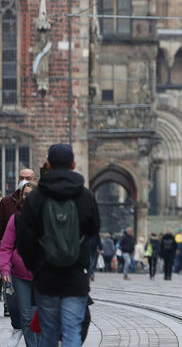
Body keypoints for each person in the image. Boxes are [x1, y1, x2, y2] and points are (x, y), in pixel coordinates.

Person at [17, 144, 100, 347]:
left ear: (48, 164)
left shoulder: (35, 197)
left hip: (46, 277)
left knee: (49, 333)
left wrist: (35, 267)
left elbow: (24, 240)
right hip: (75, 276)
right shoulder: (85, 196)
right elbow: (94, 231)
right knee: (72, 331)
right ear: (73, 165)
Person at [0, 181, 38, 347]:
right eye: (26, 194)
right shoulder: (15, 219)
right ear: (21, 197)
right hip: (20, 276)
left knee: (40, 316)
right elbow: (6, 247)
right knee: (26, 317)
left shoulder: (46, 217)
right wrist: (5, 269)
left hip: (42, 275)